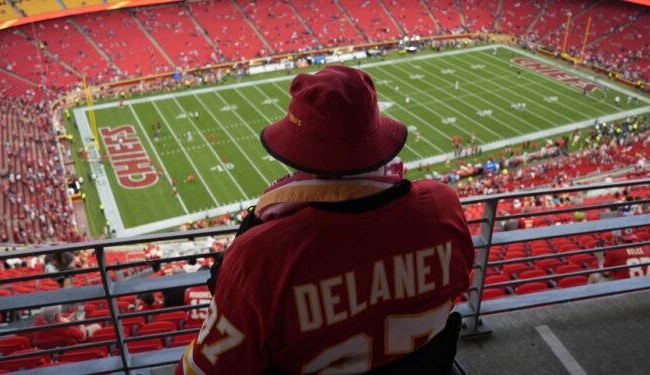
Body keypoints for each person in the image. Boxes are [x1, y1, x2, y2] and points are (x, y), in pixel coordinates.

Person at [178, 65, 474, 374]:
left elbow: (202, 371)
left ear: (299, 152)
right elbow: (458, 278)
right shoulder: (442, 204)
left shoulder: (262, 256)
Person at [33, 305, 101, 345]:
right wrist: (80, 321)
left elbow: (56, 320)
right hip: (67, 344)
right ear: (57, 316)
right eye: (59, 313)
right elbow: (82, 336)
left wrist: (68, 318)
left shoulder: (39, 318)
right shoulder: (65, 327)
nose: (61, 314)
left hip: (48, 345)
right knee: (96, 326)